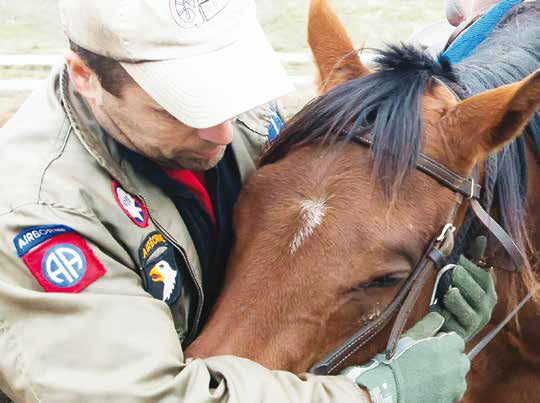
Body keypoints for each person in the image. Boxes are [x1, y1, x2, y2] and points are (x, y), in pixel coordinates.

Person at [0, 0, 495, 402]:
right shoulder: (41, 215)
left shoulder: (232, 118)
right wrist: (374, 394)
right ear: (84, 76)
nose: (221, 130)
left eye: (228, 87)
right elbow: (145, 395)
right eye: (179, 105)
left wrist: (429, 299)